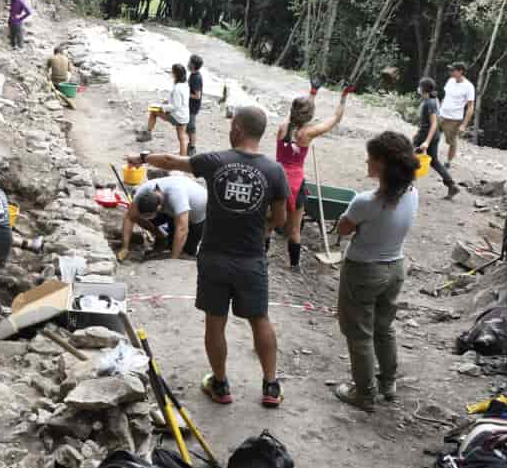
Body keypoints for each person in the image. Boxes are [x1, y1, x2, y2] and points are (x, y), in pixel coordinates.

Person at [128, 106, 289, 408]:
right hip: (252, 259)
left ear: (238, 129)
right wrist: (259, 228)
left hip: (214, 256)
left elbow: (171, 161)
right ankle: (270, 386)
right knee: (260, 319)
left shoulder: (215, 161)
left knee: (215, 322)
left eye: (232, 125)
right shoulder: (274, 171)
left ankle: (220, 384)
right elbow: (280, 220)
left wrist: (142, 157)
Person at [331, 131, 420, 411]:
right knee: (384, 327)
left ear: (382, 163)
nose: (366, 161)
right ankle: (387, 382)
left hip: (364, 271)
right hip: (395, 267)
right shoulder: (412, 193)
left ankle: (365, 393)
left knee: (359, 333)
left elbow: (344, 230)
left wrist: (347, 222)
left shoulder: (366, 201)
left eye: (371, 157)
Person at [273, 88, 349, 269]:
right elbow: (335, 119)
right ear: (309, 116)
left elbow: (299, 113)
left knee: (268, 224)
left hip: (275, 178)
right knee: (294, 229)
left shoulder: (283, 127)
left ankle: (262, 257)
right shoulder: (307, 133)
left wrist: (313, 92)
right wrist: (343, 97)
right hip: (295, 183)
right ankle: (294, 266)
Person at [117, 172, 208, 261]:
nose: (147, 219)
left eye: (149, 216)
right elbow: (130, 217)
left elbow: (182, 229)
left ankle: (174, 251)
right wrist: (125, 247)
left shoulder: (176, 197)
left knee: (187, 251)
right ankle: (162, 241)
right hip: (171, 211)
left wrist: (173, 259)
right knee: (171, 244)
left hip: (198, 213)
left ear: (159, 208)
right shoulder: (143, 192)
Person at [414, 77, 460, 200]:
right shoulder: (432, 99)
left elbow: (434, 123)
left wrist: (426, 142)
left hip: (425, 136)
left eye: (420, 86)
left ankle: (404, 186)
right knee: (434, 161)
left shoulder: (430, 103)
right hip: (433, 135)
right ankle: (451, 185)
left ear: (423, 89)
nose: (418, 88)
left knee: (409, 157)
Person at [140, 64, 191, 155]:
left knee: (153, 112)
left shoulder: (177, 88)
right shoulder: (186, 85)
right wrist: (168, 101)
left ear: (175, 74)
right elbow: (181, 100)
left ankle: (148, 133)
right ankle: (183, 157)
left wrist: (161, 107)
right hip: (185, 116)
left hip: (177, 116)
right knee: (182, 137)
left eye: (173, 72)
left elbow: (175, 107)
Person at [440, 62, 476, 166]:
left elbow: (470, 107)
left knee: (451, 141)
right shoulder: (450, 81)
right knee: (430, 133)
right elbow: (445, 97)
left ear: (460, 71)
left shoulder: (469, 86)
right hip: (441, 114)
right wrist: (438, 109)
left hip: (454, 119)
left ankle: (448, 162)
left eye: (453, 70)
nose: (450, 72)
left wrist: (464, 125)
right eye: (450, 70)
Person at [186, 55, 204, 155]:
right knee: (188, 126)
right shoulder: (193, 75)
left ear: (193, 65)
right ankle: (190, 144)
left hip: (193, 107)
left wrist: (185, 93)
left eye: (189, 61)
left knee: (191, 127)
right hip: (190, 105)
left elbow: (197, 96)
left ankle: (192, 147)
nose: (188, 63)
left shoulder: (196, 78)